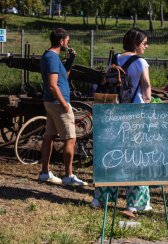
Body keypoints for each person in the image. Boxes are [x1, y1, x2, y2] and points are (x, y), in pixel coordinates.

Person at [92, 28, 152, 212]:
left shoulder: (115, 59)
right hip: (134, 114)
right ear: (135, 43)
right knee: (135, 157)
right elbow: (147, 90)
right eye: (144, 43)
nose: (146, 46)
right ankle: (135, 203)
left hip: (113, 113)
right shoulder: (141, 62)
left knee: (110, 155)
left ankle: (101, 199)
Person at [38, 28, 87, 186]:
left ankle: (45, 173)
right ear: (60, 41)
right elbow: (53, 85)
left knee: (49, 136)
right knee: (70, 139)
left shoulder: (50, 56)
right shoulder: (52, 57)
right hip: (58, 103)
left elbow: (62, 77)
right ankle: (68, 175)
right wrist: (64, 104)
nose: (68, 43)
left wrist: (70, 61)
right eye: (67, 40)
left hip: (51, 102)